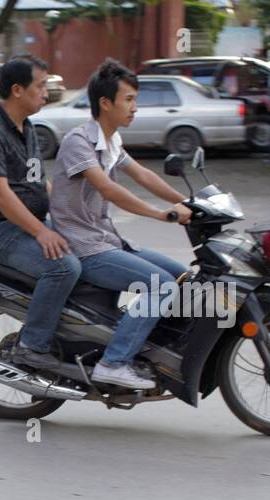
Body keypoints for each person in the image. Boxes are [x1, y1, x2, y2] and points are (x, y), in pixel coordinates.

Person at [50, 59, 192, 391]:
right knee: (162, 285)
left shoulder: (111, 142)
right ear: (105, 103)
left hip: (107, 238)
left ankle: (150, 348)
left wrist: (189, 201)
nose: (134, 108)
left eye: (134, 100)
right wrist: (162, 215)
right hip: (83, 246)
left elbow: (143, 175)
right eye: (128, 100)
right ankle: (113, 363)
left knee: (184, 278)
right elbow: (108, 188)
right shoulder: (78, 142)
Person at [0, 55, 80, 371]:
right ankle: (31, 346)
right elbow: (0, 195)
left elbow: (39, 182)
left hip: (26, 223)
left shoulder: (26, 127)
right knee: (63, 268)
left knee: (91, 245)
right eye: (40, 86)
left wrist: (71, 217)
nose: (46, 92)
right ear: (17, 90)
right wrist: (42, 231)